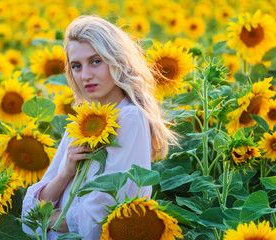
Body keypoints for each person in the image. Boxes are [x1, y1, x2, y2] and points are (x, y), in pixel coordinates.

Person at [21, 15, 177, 239]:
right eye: (76, 66)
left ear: (117, 60)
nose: (85, 75)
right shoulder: (82, 122)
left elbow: (104, 212)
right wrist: (66, 172)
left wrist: (50, 220)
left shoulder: (130, 118)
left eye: (96, 61)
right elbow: (29, 214)